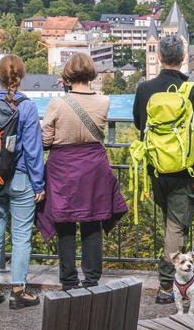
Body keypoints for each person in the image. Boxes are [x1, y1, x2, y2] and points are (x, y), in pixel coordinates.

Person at [38, 54, 128, 290]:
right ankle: (92, 279)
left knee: (64, 223)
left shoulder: (58, 104)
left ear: (67, 74)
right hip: (94, 168)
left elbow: (45, 140)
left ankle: (69, 280)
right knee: (92, 222)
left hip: (63, 169)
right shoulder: (104, 101)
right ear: (91, 73)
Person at [132, 35, 194, 304]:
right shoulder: (190, 90)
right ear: (183, 58)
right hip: (183, 170)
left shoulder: (145, 88)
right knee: (176, 227)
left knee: (170, 223)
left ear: (160, 57)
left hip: (155, 168)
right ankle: (166, 285)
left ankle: (174, 282)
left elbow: (139, 123)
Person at [0, 55, 44, 309]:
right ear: (22, 76)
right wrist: (39, 185)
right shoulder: (27, 107)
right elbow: (33, 150)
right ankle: (18, 291)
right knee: (21, 236)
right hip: (20, 179)